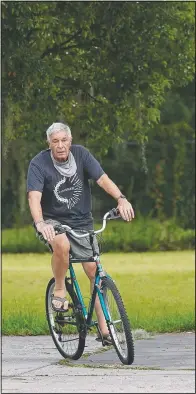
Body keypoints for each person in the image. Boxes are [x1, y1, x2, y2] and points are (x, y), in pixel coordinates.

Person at [27, 122, 134, 342]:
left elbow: (102, 179)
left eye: (64, 140)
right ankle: (59, 289)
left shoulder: (82, 155)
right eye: (55, 141)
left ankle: (105, 331)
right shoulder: (38, 163)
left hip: (82, 221)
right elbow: (34, 197)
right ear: (49, 143)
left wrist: (121, 199)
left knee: (94, 270)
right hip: (52, 221)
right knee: (62, 245)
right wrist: (40, 223)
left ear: (70, 140)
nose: (60, 146)